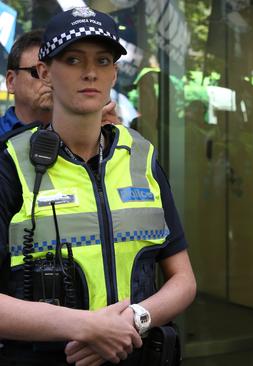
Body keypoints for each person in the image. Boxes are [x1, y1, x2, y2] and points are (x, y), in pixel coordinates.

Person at [0, 7, 196, 366]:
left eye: (103, 60)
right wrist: (87, 327)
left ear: (114, 73)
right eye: (73, 59)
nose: (90, 72)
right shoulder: (10, 162)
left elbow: (183, 279)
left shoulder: (142, 155)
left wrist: (134, 320)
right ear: (44, 72)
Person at [0, 30, 119, 140]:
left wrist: (111, 139)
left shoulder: (99, 134)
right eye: (36, 72)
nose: (50, 79)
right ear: (11, 81)